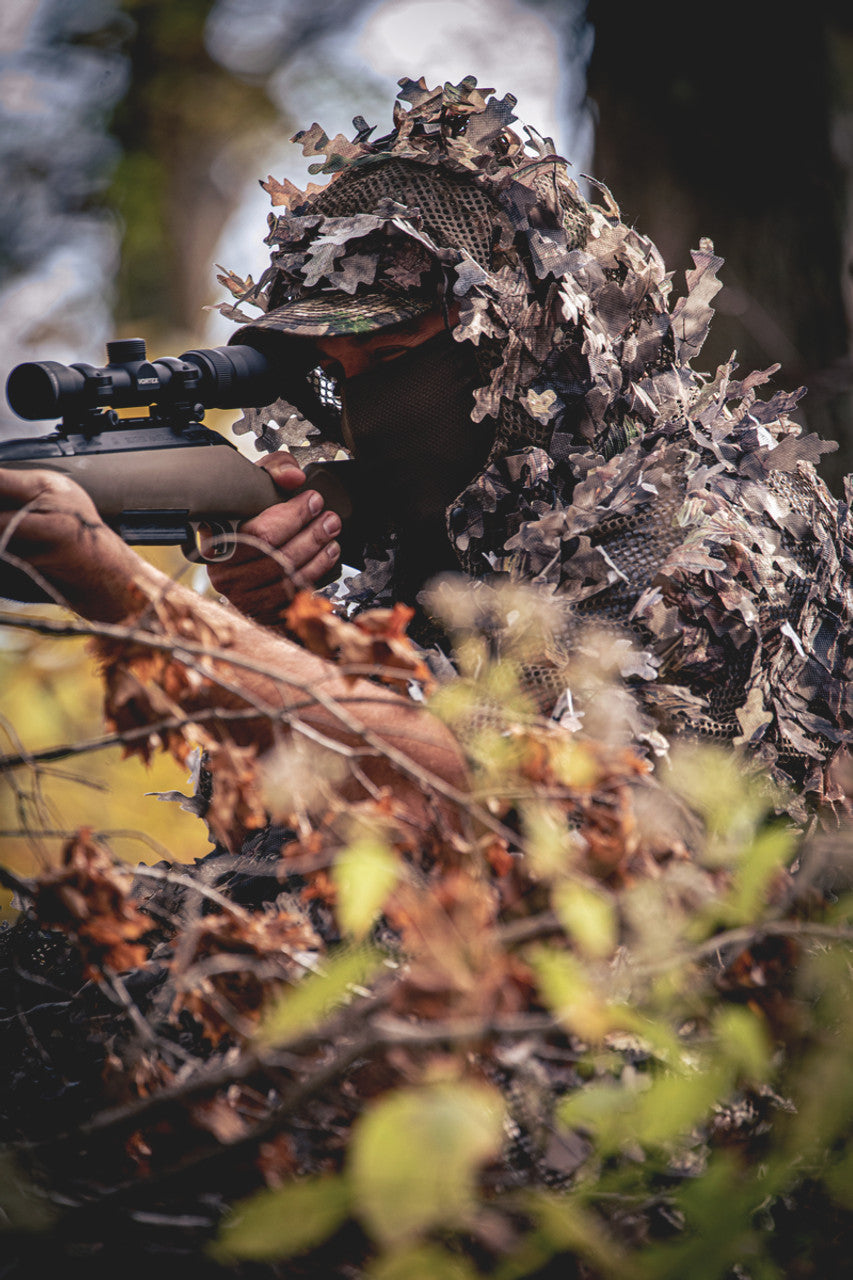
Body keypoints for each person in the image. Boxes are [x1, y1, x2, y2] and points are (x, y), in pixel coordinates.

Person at [1, 74, 851, 816]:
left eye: (393, 355)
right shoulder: (423, 534)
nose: (367, 404)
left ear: (528, 332)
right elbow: (265, 818)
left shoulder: (698, 523)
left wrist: (155, 614)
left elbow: (518, 798)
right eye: (334, 370)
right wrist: (278, 621)